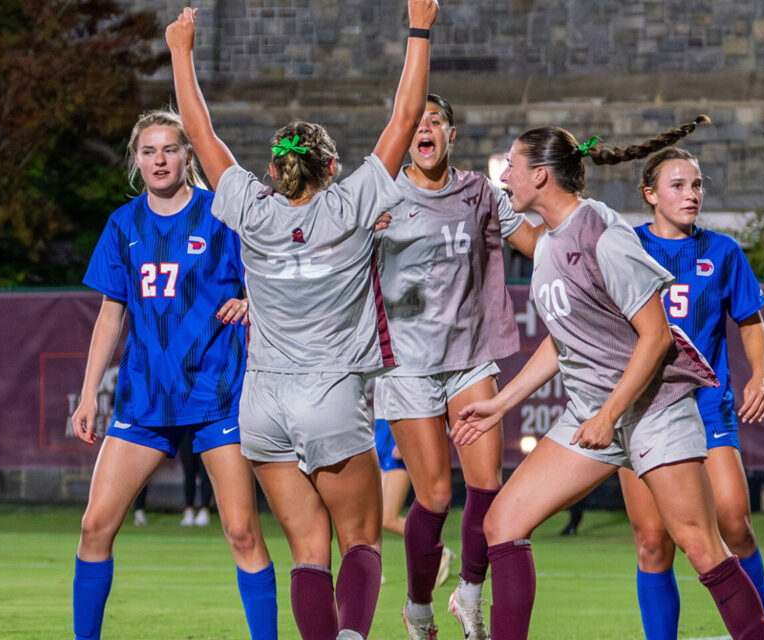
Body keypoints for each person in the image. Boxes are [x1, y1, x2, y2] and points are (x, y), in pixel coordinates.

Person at [167, 1, 438, 638]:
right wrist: (419, 29)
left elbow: (200, 135)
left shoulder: (251, 211)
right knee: (361, 540)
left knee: (307, 553)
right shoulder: (349, 205)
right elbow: (405, 116)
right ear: (332, 168)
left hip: (260, 401)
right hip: (332, 393)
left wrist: (181, 52)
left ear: (274, 169)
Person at [451, 119, 764, 640]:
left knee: (704, 548)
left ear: (541, 176)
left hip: (653, 409)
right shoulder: (551, 242)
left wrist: (609, 414)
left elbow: (657, 336)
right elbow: (563, 341)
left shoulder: (600, 232)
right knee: (501, 524)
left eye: (512, 163)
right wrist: (501, 404)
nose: (504, 172)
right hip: (593, 413)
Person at [69, 109, 276, 640]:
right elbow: (110, 315)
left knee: (241, 533)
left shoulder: (222, 216)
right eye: (148, 151)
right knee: (95, 527)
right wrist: (90, 393)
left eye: (169, 150)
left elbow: (274, 278)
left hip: (217, 394)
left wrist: (252, 301)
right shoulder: (123, 225)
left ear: (188, 155)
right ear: (135, 162)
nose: (159, 160)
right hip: (145, 398)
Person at [374, 92, 542, 639]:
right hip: (407, 367)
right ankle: (418, 608)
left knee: (488, 487)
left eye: (437, 120)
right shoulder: (380, 195)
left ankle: (469, 594)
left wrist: (592, 234)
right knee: (436, 497)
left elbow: (539, 243)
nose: (426, 128)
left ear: (452, 134)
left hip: (468, 359)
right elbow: (332, 258)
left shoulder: (481, 192)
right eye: (417, 121)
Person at [623, 147, 764, 640]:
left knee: (733, 521)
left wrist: (761, 374)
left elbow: (750, 321)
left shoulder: (723, 251)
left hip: (706, 404)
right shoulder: (624, 247)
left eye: (697, 185)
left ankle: (756, 632)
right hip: (641, 408)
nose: (692, 194)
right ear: (650, 194)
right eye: (678, 185)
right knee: (652, 542)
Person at [374, 417, 456, 588]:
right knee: (374, 515)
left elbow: (414, 409)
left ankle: (436, 550)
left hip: (396, 446)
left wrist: (407, 441)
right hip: (380, 438)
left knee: (387, 518)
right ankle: (374, 570)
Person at [178, 428, 215, 527]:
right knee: (189, 473)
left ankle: (204, 510)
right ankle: (189, 510)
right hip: (187, 430)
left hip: (205, 430)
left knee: (205, 473)